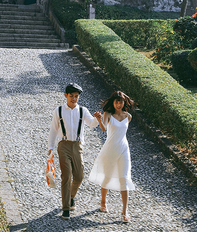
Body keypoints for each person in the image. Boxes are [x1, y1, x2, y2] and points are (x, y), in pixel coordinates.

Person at [48, 83, 101, 220]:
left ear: (79, 97)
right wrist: (50, 148)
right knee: (66, 176)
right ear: (66, 95)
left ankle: (71, 197)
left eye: (76, 96)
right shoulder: (59, 111)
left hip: (77, 146)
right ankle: (65, 208)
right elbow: (53, 129)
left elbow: (92, 123)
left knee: (79, 176)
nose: (73, 99)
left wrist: (98, 118)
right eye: (71, 96)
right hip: (63, 145)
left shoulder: (83, 111)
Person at [88, 90, 135, 222]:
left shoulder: (128, 116)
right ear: (113, 102)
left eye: (121, 102)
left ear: (124, 102)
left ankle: (125, 211)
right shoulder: (108, 114)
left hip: (124, 149)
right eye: (116, 102)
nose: (119, 105)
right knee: (107, 177)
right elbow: (103, 128)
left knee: (124, 178)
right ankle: (103, 201)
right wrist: (99, 118)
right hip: (110, 149)